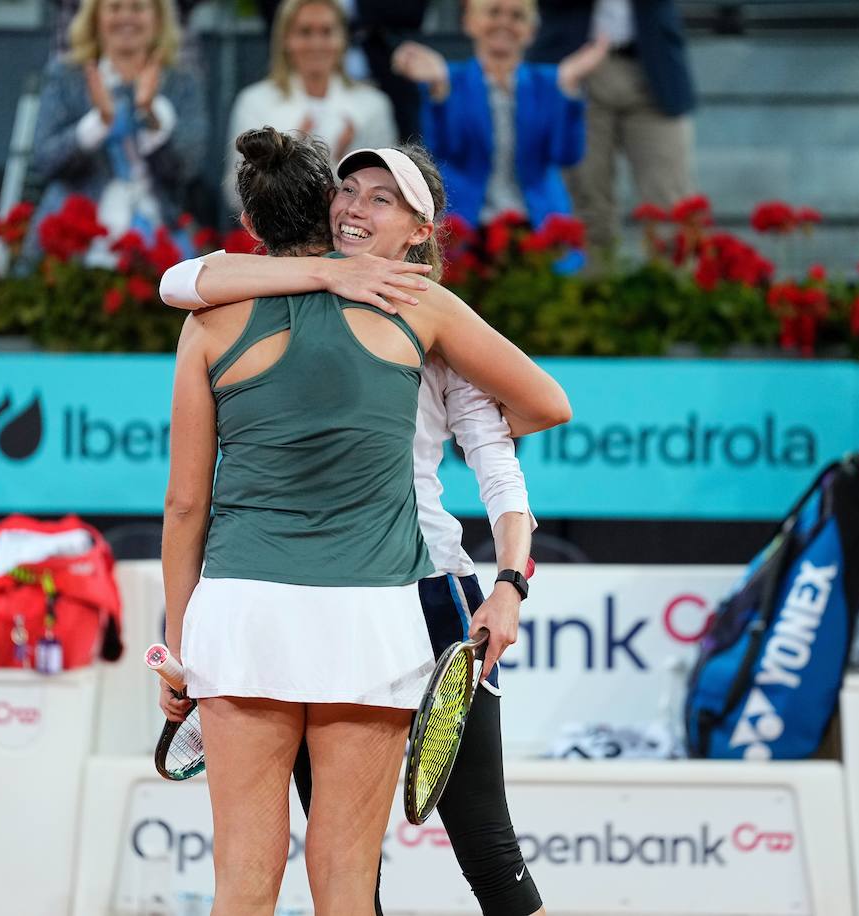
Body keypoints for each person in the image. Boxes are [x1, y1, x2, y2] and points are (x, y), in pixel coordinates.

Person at [160, 129, 569, 911]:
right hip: (370, 614)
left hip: (293, 608)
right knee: (351, 885)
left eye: (383, 199)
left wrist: (180, 649)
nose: (357, 206)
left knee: (249, 882)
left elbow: (185, 504)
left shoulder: (221, 314)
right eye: (348, 191)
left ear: (420, 231)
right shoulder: (422, 313)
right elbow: (545, 405)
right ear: (323, 202)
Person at [390, 0, 607, 230]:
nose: (505, 22)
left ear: (532, 30)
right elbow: (442, 152)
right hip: (468, 223)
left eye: (517, 16)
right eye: (493, 12)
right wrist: (439, 91)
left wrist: (570, 89)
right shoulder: (449, 78)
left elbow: (567, 155)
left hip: (538, 222)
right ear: (469, 22)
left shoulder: (550, 81)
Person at [25, 0, 207, 265]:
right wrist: (99, 123)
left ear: (157, 18)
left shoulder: (182, 82)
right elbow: (44, 161)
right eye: (115, 7)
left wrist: (150, 116)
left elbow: (186, 169)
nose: (126, 17)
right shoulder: (66, 75)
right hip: (79, 233)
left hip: (158, 231)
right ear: (95, 18)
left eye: (137, 8)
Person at [528, 0, 696, 260]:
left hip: (655, 66)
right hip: (575, 65)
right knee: (586, 204)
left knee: (670, 206)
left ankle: (671, 295)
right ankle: (591, 295)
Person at [224, 0, 397, 212]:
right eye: (305, 32)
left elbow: (386, 192)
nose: (316, 44)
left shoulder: (374, 105)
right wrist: (292, 159)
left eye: (327, 32)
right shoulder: (254, 102)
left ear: (343, 39)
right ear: (285, 39)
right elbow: (236, 195)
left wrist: (341, 163)